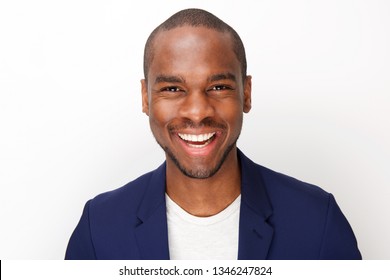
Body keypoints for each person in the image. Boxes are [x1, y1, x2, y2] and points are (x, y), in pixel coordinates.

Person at [65, 8, 361, 260]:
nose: (197, 111)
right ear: (145, 98)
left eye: (219, 87)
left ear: (246, 94)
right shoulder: (99, 228)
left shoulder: (317, 221)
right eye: (172, 89)